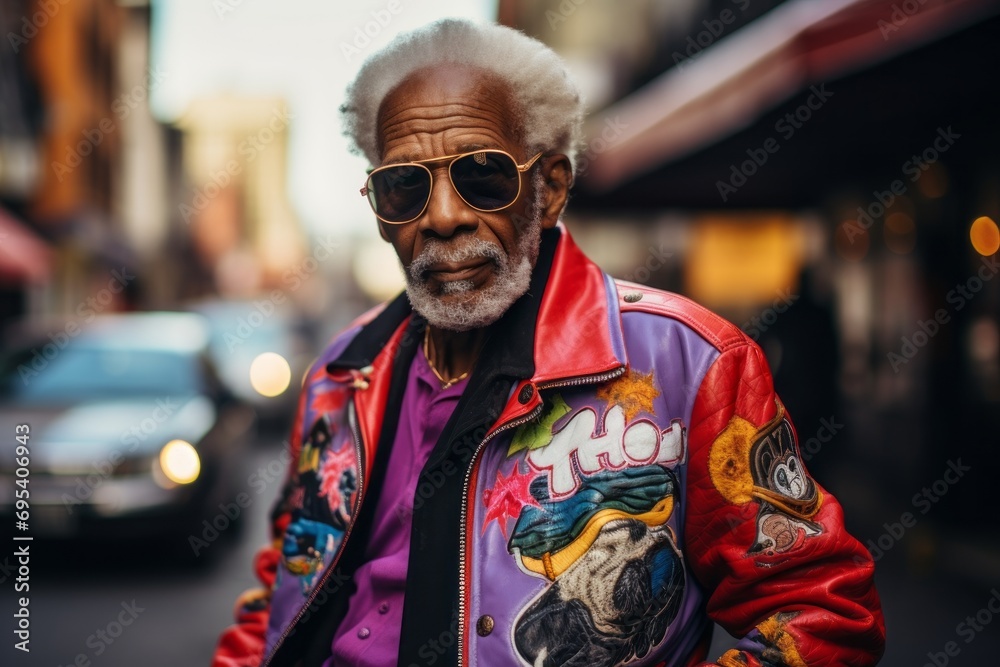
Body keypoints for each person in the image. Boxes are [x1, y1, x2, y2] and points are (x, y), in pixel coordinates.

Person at [211, 18, 885, 667]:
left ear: (550, 189)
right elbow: (284, 585)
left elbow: (821, 615)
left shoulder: (694, 361)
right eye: (403, 185)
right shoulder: (340, 373)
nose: (443, 217)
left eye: (482, 174)